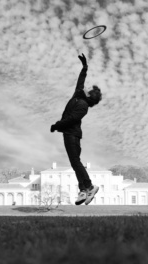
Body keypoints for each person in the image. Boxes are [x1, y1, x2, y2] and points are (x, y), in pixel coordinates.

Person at [50, 53, 102, 205]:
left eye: (89, 89)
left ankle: (90, 187)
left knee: (75, 162)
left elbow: (72, 119)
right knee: (74, 162)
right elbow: (81, 81)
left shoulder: (83, 106)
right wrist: (85, 67)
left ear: (90, 95)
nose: (86, 87)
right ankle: (83, 190)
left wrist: (57, 125)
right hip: (69, 134)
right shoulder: (77, 95)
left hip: (72, 135)